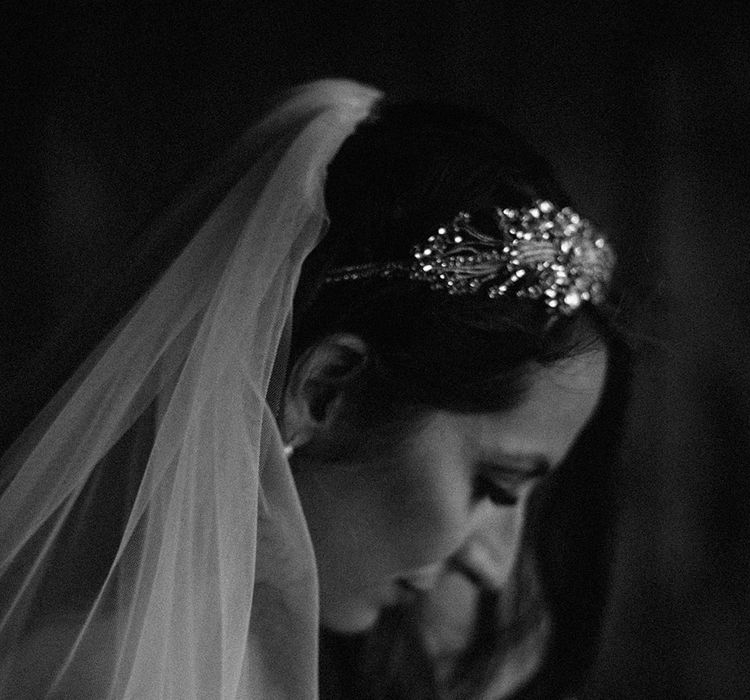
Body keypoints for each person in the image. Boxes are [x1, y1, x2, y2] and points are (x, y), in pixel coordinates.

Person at [0, 79, 627, 699]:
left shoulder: (371, 668)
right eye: (493, 485)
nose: (493, 566)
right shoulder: (102, 680)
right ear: (328, 389)